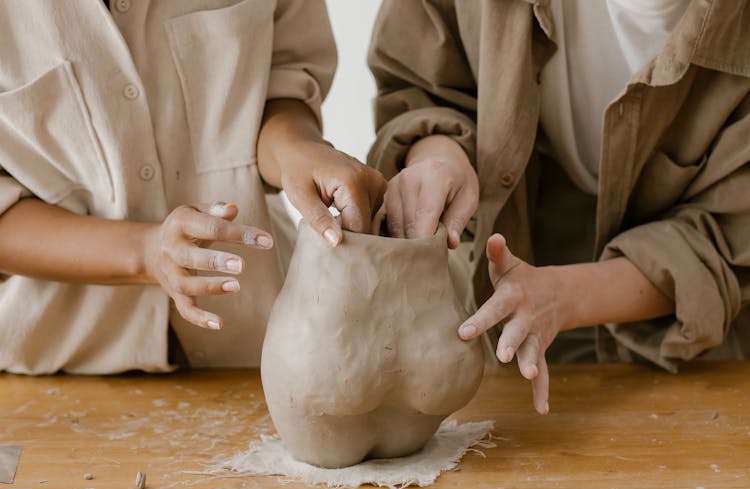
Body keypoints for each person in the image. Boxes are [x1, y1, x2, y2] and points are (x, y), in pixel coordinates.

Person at [368, 0, 750, 414]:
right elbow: (418, 82)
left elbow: (727, 240)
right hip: (517, 242)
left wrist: (562, 297)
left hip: (692, 337)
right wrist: (438, 153)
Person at [0, 0, 385, 374]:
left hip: (255, 346)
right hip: (51, 371)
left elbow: (280, 81)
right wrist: (148, 252)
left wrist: (299, 150)